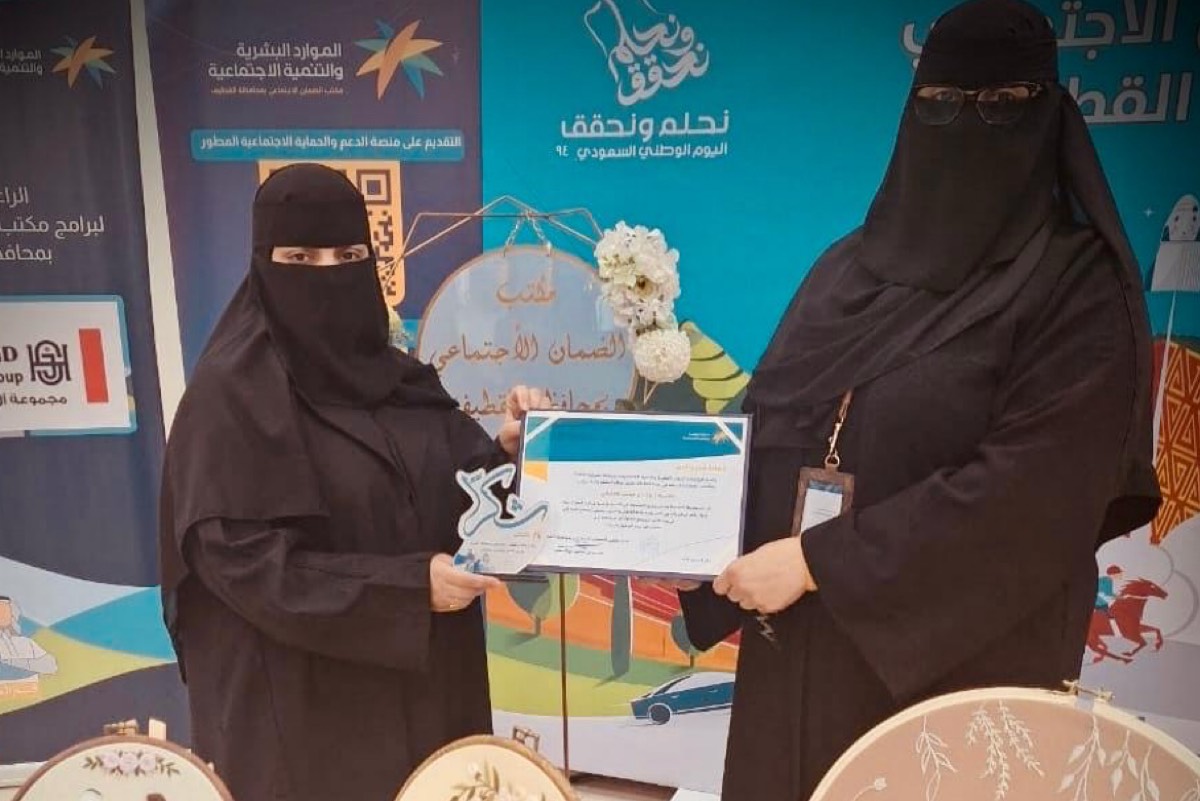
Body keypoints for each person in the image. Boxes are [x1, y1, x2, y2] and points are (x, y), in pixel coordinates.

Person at [667, 2, 1162, 799]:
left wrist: (821, 562)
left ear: (1048, 115)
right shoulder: (846, 271)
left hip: (956, 674)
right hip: (799, 654)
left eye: (1002, 104)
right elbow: (764, 428)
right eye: (941, 103)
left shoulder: (1076, 289)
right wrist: (629, 491)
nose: (967, 125)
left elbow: (1029, 496)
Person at [158, 163, 548, 801]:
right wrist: (406, 590)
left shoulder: (397, 381)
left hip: (425, 697)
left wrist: (514, 458)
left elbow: (461, 499)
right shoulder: (230, 398)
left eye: (347, 256)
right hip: (305, 716)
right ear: (262, 263)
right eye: (300, 257)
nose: (327, 273)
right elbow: (244, 564)